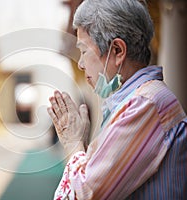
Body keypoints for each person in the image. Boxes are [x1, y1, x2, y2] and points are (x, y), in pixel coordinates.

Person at [47, 0, 187, 199]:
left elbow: (87, 193)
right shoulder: (139, 100)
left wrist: (74, 142)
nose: (80, 64)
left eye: (84, 51)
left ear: (117, 51)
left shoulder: (146, 103)